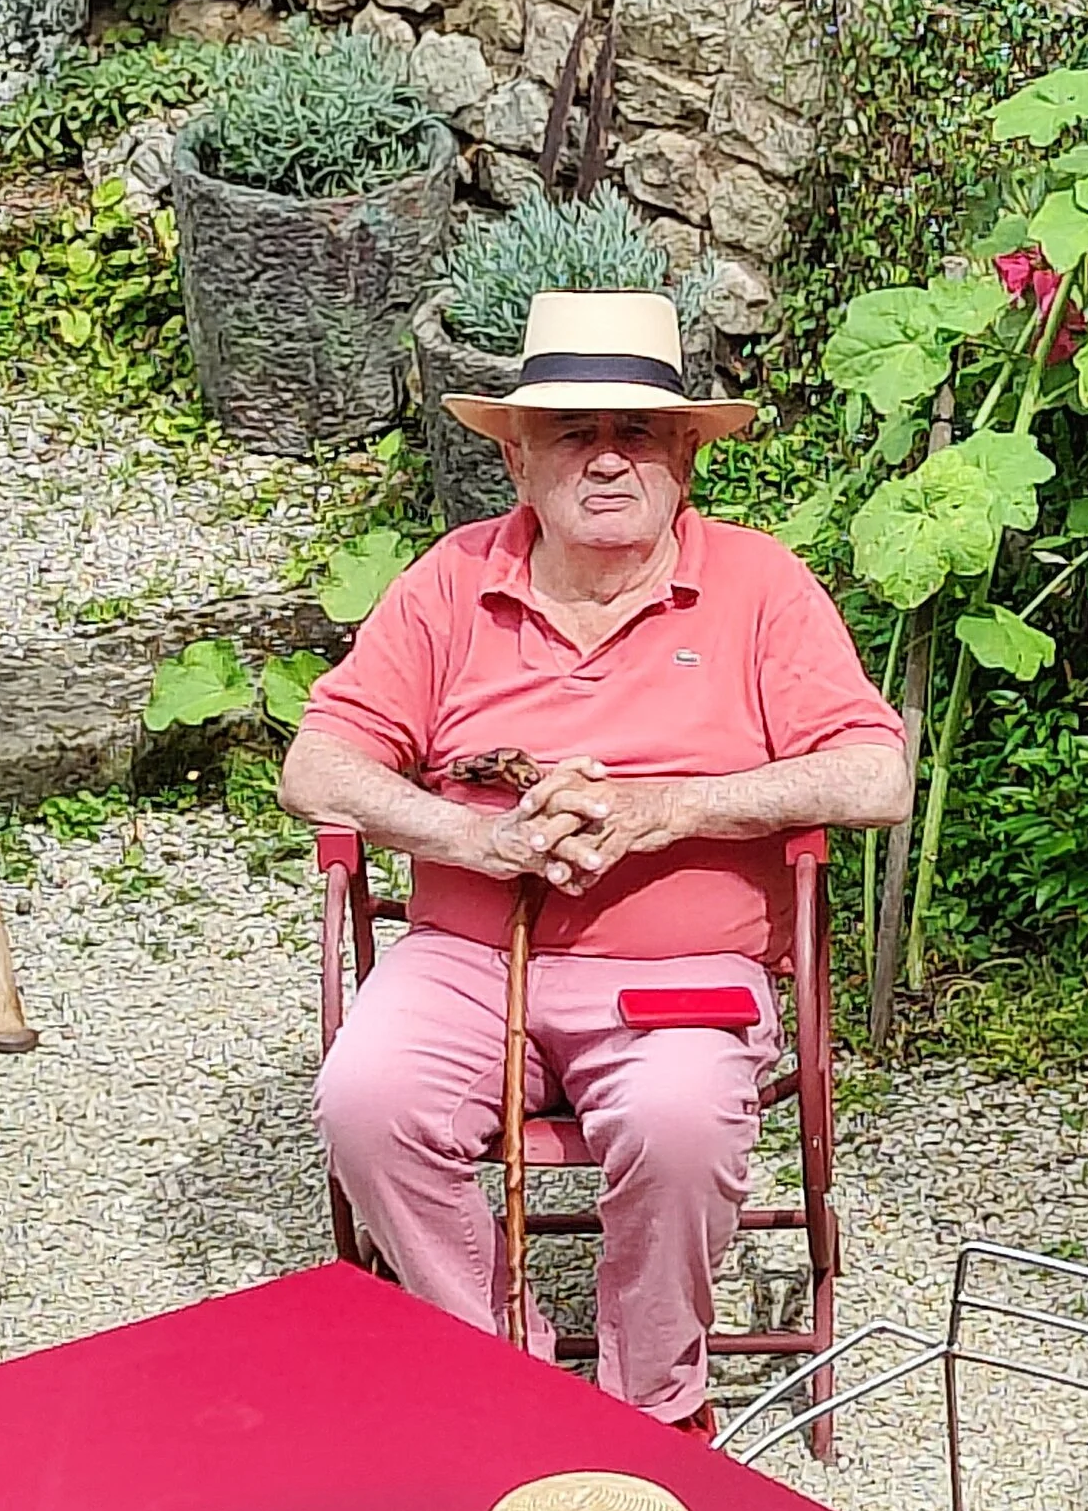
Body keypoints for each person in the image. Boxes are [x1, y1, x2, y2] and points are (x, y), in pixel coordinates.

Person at [283, 290, 912, 1428]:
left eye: (638, 435)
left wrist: (667, 810)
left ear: (684, 459)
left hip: (678, 983)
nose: (609, 460)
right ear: (521, 462)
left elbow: (873, 773)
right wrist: (481, 835)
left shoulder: (759, 586)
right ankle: (499, 1372)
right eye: (576, 433)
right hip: (472, 957)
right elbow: (318, 768)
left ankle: (652, 1406)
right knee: (366, 1098)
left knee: (679, 1124)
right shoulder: (451, 580)